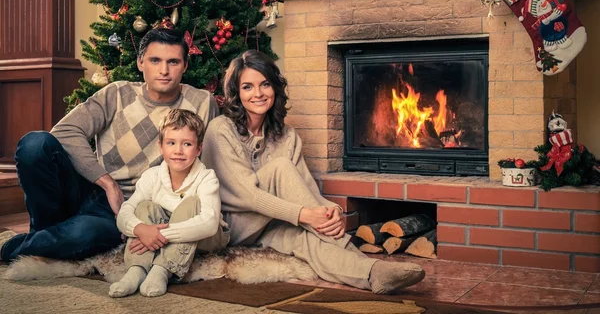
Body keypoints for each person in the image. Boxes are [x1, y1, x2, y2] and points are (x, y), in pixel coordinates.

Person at [201, 50, 425, 295]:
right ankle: (360, 256)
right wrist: (307, 215)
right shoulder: (220, 129)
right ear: (236, 92)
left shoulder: (287, 135)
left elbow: (305, 188)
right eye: (247, 87)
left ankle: (372, 273)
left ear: (275, 87)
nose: (258, 93)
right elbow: (249, 196)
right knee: (282, 169)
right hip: (235, 225)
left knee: (307, 239)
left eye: (265, 84)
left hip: (272, 224)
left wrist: (331, 212)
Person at [0, 28, 219, 263]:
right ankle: (45, 234)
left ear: (185, 66)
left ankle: (15, 247)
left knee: (83, 234)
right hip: (92, 190)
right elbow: (65, 131)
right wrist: (107, 183)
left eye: (173, 62)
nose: (164, 70)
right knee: (34, 144)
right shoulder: (117, 93)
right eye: (155, 60)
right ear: (140, 63)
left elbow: (209, 161)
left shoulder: (202, 103)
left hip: (133, 210)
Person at [109, 109, 229, 298]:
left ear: (198, 149)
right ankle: (137, 269)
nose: (178, 151)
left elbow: (209, 223)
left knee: (192, 203)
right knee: (144, 207)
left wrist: (157, 234)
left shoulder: (207, 177)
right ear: (161, 146)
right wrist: (141, 229)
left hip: (206, 238)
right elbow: (125, 214)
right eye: (171, 143)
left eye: (187, 144)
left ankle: (162, 270)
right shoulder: (152, 176)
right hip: (165, 228)